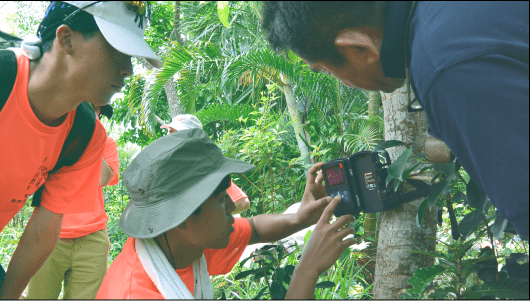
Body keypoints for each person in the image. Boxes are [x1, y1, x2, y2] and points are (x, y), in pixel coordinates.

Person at [0, 1, 161, 299]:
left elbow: (42, 232)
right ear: (66, 39)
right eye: (117, 51)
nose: (127, 69)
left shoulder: (86, 136)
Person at [261, 1, 529, 238]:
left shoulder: (446, 70)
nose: (343, 83)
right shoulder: (442, 19)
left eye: (328, 72)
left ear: (359, 48)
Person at [96, 128, 356, 299]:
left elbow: (253, 228)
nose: (233, 208)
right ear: (183, 217)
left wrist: (301, 218)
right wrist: (308, 268)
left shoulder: (181, 244)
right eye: (222, 200)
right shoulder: (138, 293)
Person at [24, 104, 119, 299]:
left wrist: (92, 138)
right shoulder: (54, 138)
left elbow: (104, 177)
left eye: (94, 110)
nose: (87, 113)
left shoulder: (106, 143)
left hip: (92, 238)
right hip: (49, 231)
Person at [161, 114, 251, 215]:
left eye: (178, 133)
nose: (170, 137)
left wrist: (204, 220)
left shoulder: (203, 167)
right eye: (170, 131)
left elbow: (242, 202)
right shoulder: (167, 169)